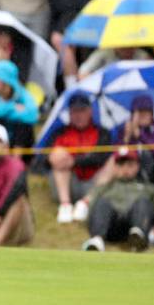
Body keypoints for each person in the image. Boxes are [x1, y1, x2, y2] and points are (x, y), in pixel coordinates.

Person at [45, 93, 111, 224]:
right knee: (58, 154)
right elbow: (45, 160)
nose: (78, 115)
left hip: (94, 184)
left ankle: (85, 203)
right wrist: (58, 158)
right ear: (69, 113)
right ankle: (65, 205)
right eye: (75, 111)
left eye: (82, 110)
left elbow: (101, 158)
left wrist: (74, 161)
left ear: (90, 112)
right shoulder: (59, 132)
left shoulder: (102, 132)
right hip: (68, 183)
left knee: (114, 161)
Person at [80, 147, 154, 252]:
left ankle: (138, 237)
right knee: (102, 203)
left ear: (137, 166)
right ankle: (97, 240)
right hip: (111, 227)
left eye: (130, 164)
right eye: (121, 164)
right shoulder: (104, 187)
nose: (125, 168)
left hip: (135, 224)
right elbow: (92, 210)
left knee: (143, 202)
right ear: (115, 167)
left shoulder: (150, 188)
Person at [0, 60, 38, 148]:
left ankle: (16, 161)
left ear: (5, 80)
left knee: (23, 126)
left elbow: (32, 116)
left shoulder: (22, 94)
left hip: (17, 143)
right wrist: (11, 107)